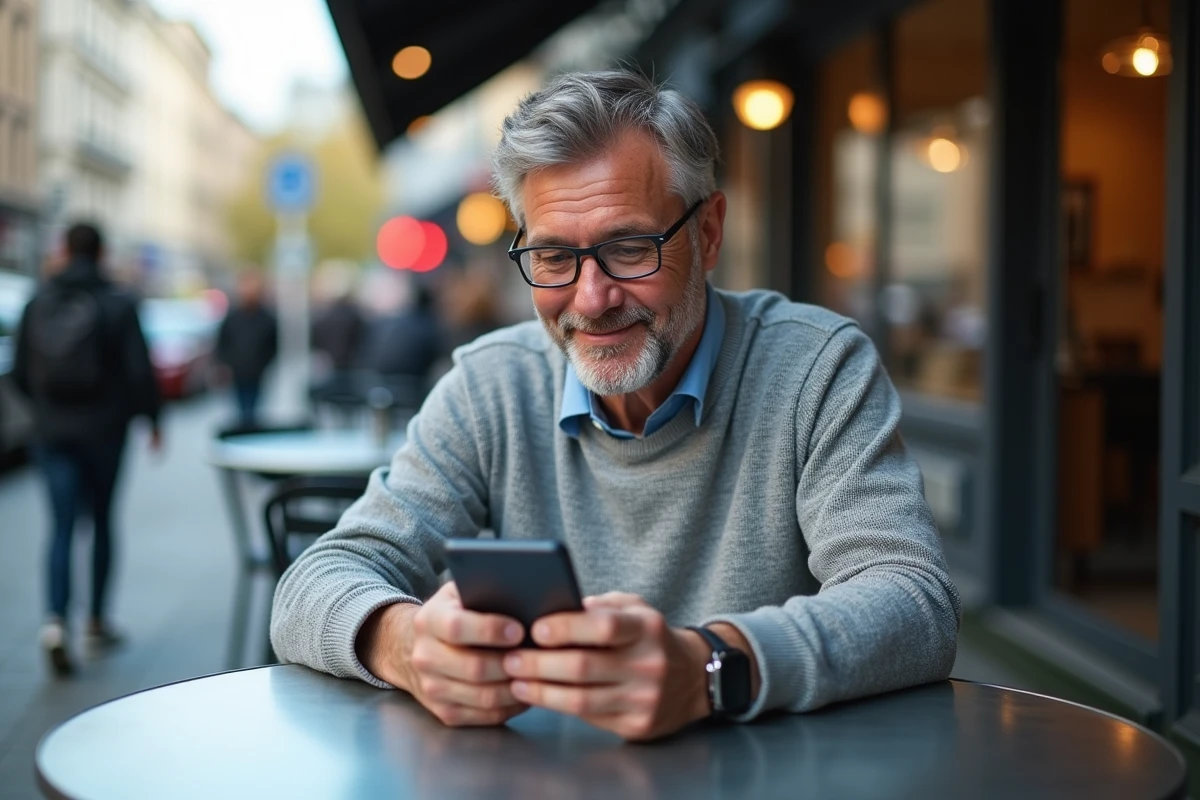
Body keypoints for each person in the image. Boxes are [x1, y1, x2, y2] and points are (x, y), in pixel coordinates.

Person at [271, 70, 960, 740]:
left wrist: (709, 667)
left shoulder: (816, 367)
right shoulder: (492, 385)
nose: (592, 298)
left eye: (630, 248)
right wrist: (405, 643)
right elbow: (314, 582)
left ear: (708, 234)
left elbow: (913, 602)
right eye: (552, 258)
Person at [12, 222, 162, 676]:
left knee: (60, 526)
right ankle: (96, 622)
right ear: (101, 253)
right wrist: (152, 420)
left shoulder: (38, 301)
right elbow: (139, 370)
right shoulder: (118, 302)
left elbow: (20, 372)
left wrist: (45, 411)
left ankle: (55, 623)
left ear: (63, 250)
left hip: (52, 432)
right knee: (101, 521)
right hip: (104, 432)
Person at [215, 271, 277, 427]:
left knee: (252, 411)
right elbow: (222, 344)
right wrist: (225, 365)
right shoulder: (232, 317)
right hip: (237, 373)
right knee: (240, 411)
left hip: (256, 374)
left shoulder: (266, 318)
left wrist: (262, 365)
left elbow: (273, 347)